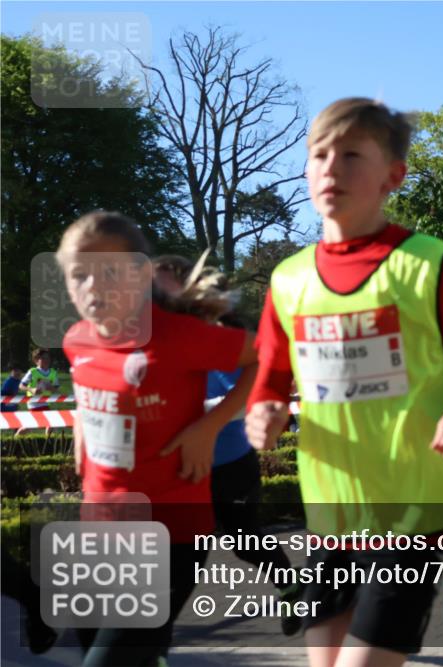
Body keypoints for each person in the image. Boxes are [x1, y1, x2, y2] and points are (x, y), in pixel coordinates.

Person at [243, 98, 443, 667]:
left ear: (393, 175)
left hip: (416, 512)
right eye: (319, 155)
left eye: (351, 155)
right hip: (333, 513)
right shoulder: (288, 278)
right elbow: (271, 375)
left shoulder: (424, 262)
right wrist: (264, 408)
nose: (331, 168)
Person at [57, 210, 258, 666]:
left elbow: (262, 357)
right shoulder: (76, 339)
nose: (93, 287)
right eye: (79, 275)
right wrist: (82, 430)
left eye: (110, 273)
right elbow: (89, 387)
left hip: (170, 535)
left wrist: (209, 427)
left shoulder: (177, 336)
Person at [153, 254, 303, 637]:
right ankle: (149, 639)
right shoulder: (156, 338)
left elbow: (254, 392)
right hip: (182, 468)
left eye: (166, 289)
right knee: (183, 550)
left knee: (245, 541)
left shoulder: (226, 337)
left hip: (230, 463)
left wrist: (199, 418)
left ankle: (291, 587)